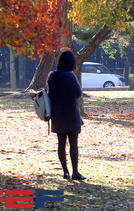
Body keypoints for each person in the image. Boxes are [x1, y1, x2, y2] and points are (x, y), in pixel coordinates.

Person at [48, 49, 86, 180]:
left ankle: (65, 171)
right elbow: (78, 92)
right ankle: (75, 171)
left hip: (58, 114)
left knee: (61, 143)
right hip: (71, 113)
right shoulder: (70, 76)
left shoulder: (52, 76)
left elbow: (50, 93)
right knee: (73, 143)